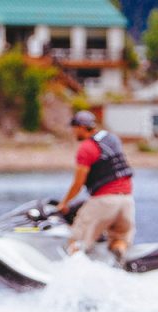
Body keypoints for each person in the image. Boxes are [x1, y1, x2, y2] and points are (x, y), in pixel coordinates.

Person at [55, 110, 135, 260]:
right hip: (127, 201)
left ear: (80, 127)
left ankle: (73, 272)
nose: (73, 133)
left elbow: (78, 183)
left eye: (74, 129)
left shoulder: (86, 148)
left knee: (76, 239)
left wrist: (64, 203)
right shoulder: (112, 138)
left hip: (104, 201)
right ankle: (120, 264)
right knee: (119, 239)